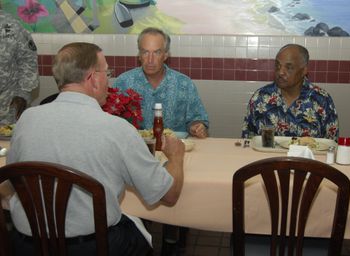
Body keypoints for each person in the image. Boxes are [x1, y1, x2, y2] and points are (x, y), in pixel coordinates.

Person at [6, 42, 185, 256]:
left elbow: (11, 181)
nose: (108, 79)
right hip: (93, 247)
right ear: (93, 78)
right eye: (107, 72)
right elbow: (169, 195)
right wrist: (175, 157)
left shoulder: (26, 120)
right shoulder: (116, 129)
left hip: (27, 246)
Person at [113, 27, 209, 138]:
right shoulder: (123, 83)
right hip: (134, 149)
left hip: (174, 149)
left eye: (157, 52)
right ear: (139, 55)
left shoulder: (184, 84)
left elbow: (197, 118)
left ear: (165, 55)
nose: (150, 60)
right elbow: (111, 120)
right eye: (145, 52)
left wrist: (197, 127)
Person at [242, 44, 339, 141]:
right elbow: (247, 141)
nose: (280, 72)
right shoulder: (260, 98)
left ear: (304, 70)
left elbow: (331, 145)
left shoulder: (321, 100)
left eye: (289, 67)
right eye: (278, 66)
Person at [0, 7, 39, 125]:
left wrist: (23, 93)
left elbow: (29, 60)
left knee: (9, 141)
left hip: (8, 102)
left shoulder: (11, 26)